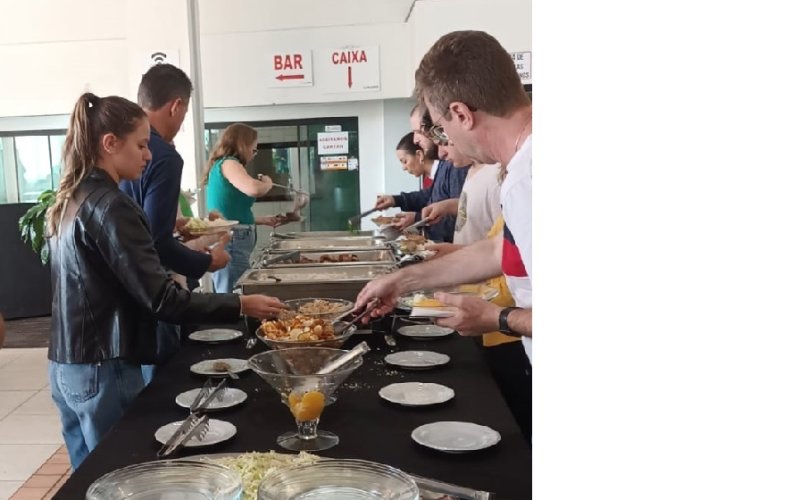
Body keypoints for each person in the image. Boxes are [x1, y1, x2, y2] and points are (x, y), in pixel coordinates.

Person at [47, 93, 286, 469]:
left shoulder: (72, 197)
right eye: (141, 145)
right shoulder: (111, 204)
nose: (148, 156)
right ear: (110, 144)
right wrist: (240, 304)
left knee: (87, 477)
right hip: (103, 363)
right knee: (121, 472)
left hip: (66, 364)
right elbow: (161, 298)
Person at [356, 30, 532, 360]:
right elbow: (498, 250)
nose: (440, 143)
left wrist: (499, 318)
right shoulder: (521, 169)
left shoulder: (529, 179)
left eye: (439, 128)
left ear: (462, 114)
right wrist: (402, 281)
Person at [119, 64, 230, 383]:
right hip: (155, 287)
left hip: (123, 296)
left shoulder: (114, 162)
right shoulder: (164, 156)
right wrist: (207, 263)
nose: (146, 155)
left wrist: (174, 222)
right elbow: (156, 242)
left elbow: (139, 223)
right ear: (176, 106)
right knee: (164, 382)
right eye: (141, 147)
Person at [202, 123, 281, 293]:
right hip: (233, 239)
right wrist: (268, 183)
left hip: (234, 236)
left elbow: (229, 209)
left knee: (232, 291)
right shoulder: (229, 163)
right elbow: (254, 189)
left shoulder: (223, 164)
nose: (254, 154)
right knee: (234, 293)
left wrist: (261, 220)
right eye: (254, 149)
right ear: (243, 145)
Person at [373, 106, 468, 243]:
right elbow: (431, 196)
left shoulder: (456, 164)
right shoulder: (445, 165)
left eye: (419, 132)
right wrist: (396, 200)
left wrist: (418, 219)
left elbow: (459, 217)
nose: (415, 140)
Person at [422, 142, 501, 246]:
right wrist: (447, 206)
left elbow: (503, 242)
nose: (440, 154)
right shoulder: (473, 169)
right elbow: (478, 205)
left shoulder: (496, 177)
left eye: (445, 143)